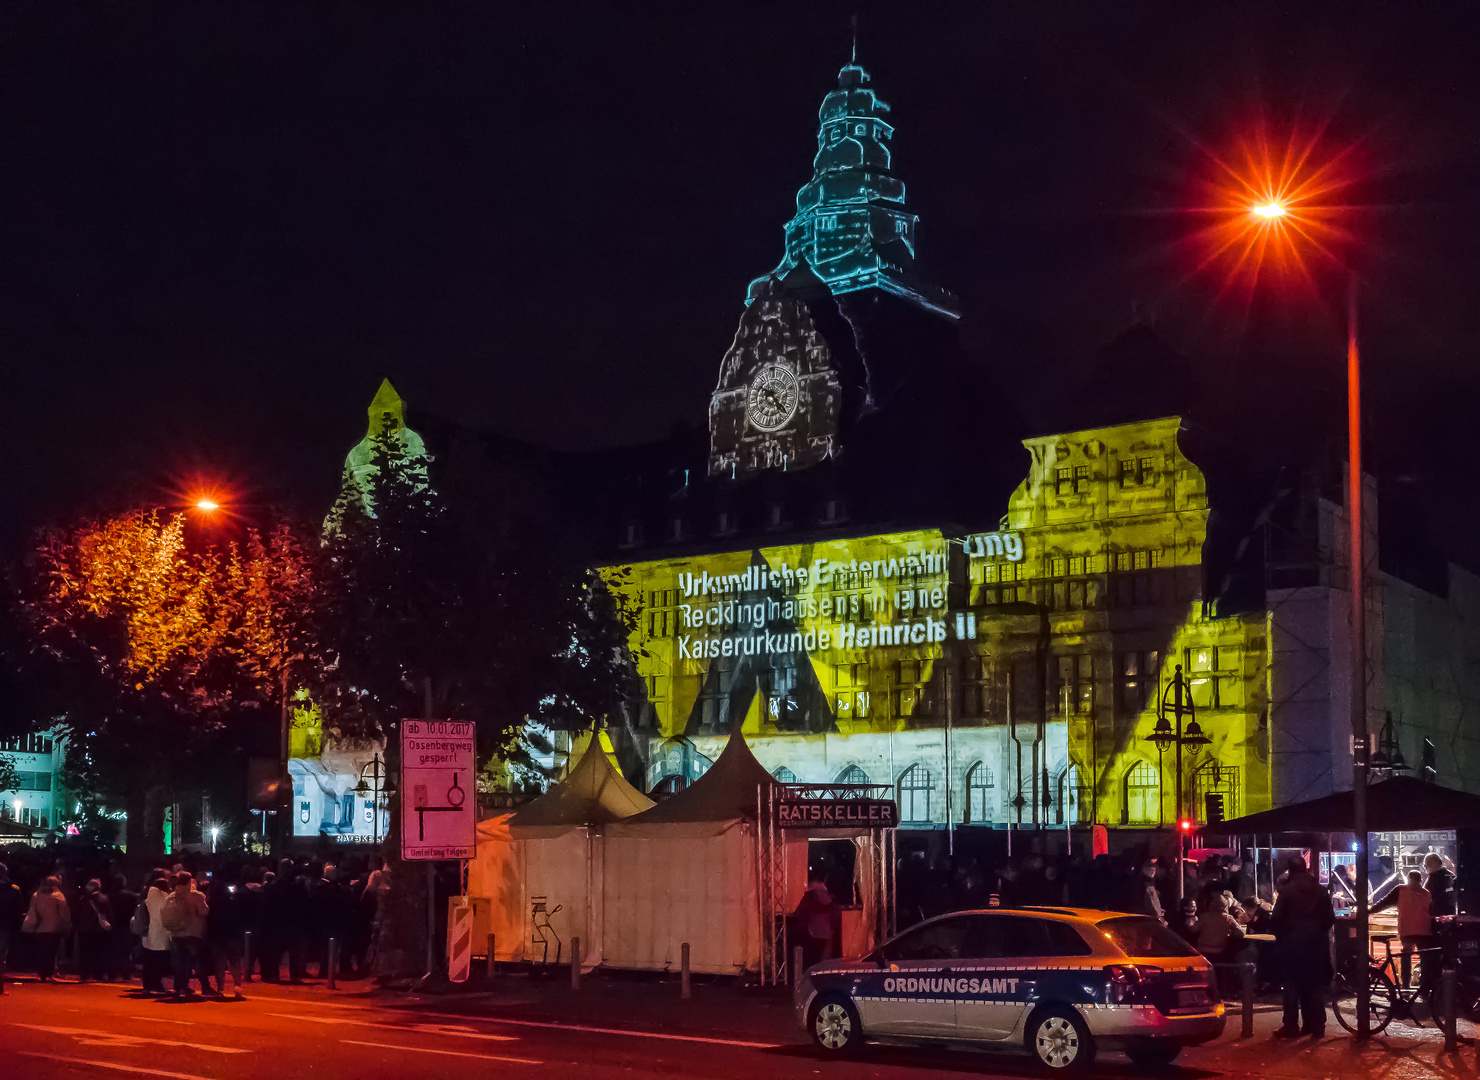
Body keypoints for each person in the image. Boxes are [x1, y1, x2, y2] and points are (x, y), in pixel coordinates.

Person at [1271, 855, 1335, 1037]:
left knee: (1291, 986)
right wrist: (1317, 931)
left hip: (1292, 945)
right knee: (1314, 986)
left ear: (1289, 869)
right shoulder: (1321, 891)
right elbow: (1330, 918)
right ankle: (1315, 1025)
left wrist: (1283, 933)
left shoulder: (1287, 892)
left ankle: (1291, 1026)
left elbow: (1276, 919)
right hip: (1316, 945)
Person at [1375, 870, 1432, 988]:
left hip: (1408, 930)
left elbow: (1384, 903)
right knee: (1425, 960)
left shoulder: (1401, 890)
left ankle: (1406, 986)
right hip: (1424, 931)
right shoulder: (1426, 893)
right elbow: (1432, 911)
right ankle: (1424, 987)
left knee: (1406, 957)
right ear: (1420, 880)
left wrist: (1368, 912)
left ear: (1409, 878)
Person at [161, 871, 210, 999]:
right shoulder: (197, 896)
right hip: (192, 933)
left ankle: (179, 987)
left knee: (180, 962)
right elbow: (204, 912)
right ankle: (205, 987)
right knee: (197, 961)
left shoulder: (171, 896)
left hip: (176, 933)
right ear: (189, 882)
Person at [22, 876, 72, 981]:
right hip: (54, 928)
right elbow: (64, 914)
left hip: (39, 927)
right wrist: (67, 925)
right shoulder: (58, 896)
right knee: (51, 952)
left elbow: (32, 911)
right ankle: (49, 973)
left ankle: (42, 973)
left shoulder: (36, 895)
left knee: (41, 951)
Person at [73, 878, 115, 982]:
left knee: (84, 952)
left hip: (84, 929)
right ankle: (98, 974)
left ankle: (84, 974)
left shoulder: (83, 899)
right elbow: (109, 914)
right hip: (98, 930)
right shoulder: (103, 899)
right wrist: (111, 925)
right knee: (97, 953)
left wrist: (76, 925)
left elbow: (76, 914)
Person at [139, 870, 173, 994]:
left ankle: (147, 985)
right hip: (161, 933)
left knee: (149, 961)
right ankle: (157, 984)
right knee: (159, 961)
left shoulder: (147, 895)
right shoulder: (165, 898)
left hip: (148, 933)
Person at [791, 878, 836, 971]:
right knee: (822, 960)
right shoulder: (828, 899)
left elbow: (800, 912)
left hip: (811, 933)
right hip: (826, 933)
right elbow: (834, 916)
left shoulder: (809, 897)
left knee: (810, 961)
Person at [1195, 894, 1247, 967]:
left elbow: (1194, 929)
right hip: (1219, 950)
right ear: (1225, 906)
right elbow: (1241, 933)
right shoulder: (1228, 918)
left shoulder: (1204, 916)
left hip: (1202, 950)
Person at [0, 862, 26, 994]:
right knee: (1, 956)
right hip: (5, 925)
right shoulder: (13, 889)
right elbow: (18, 910)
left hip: (5, 924)